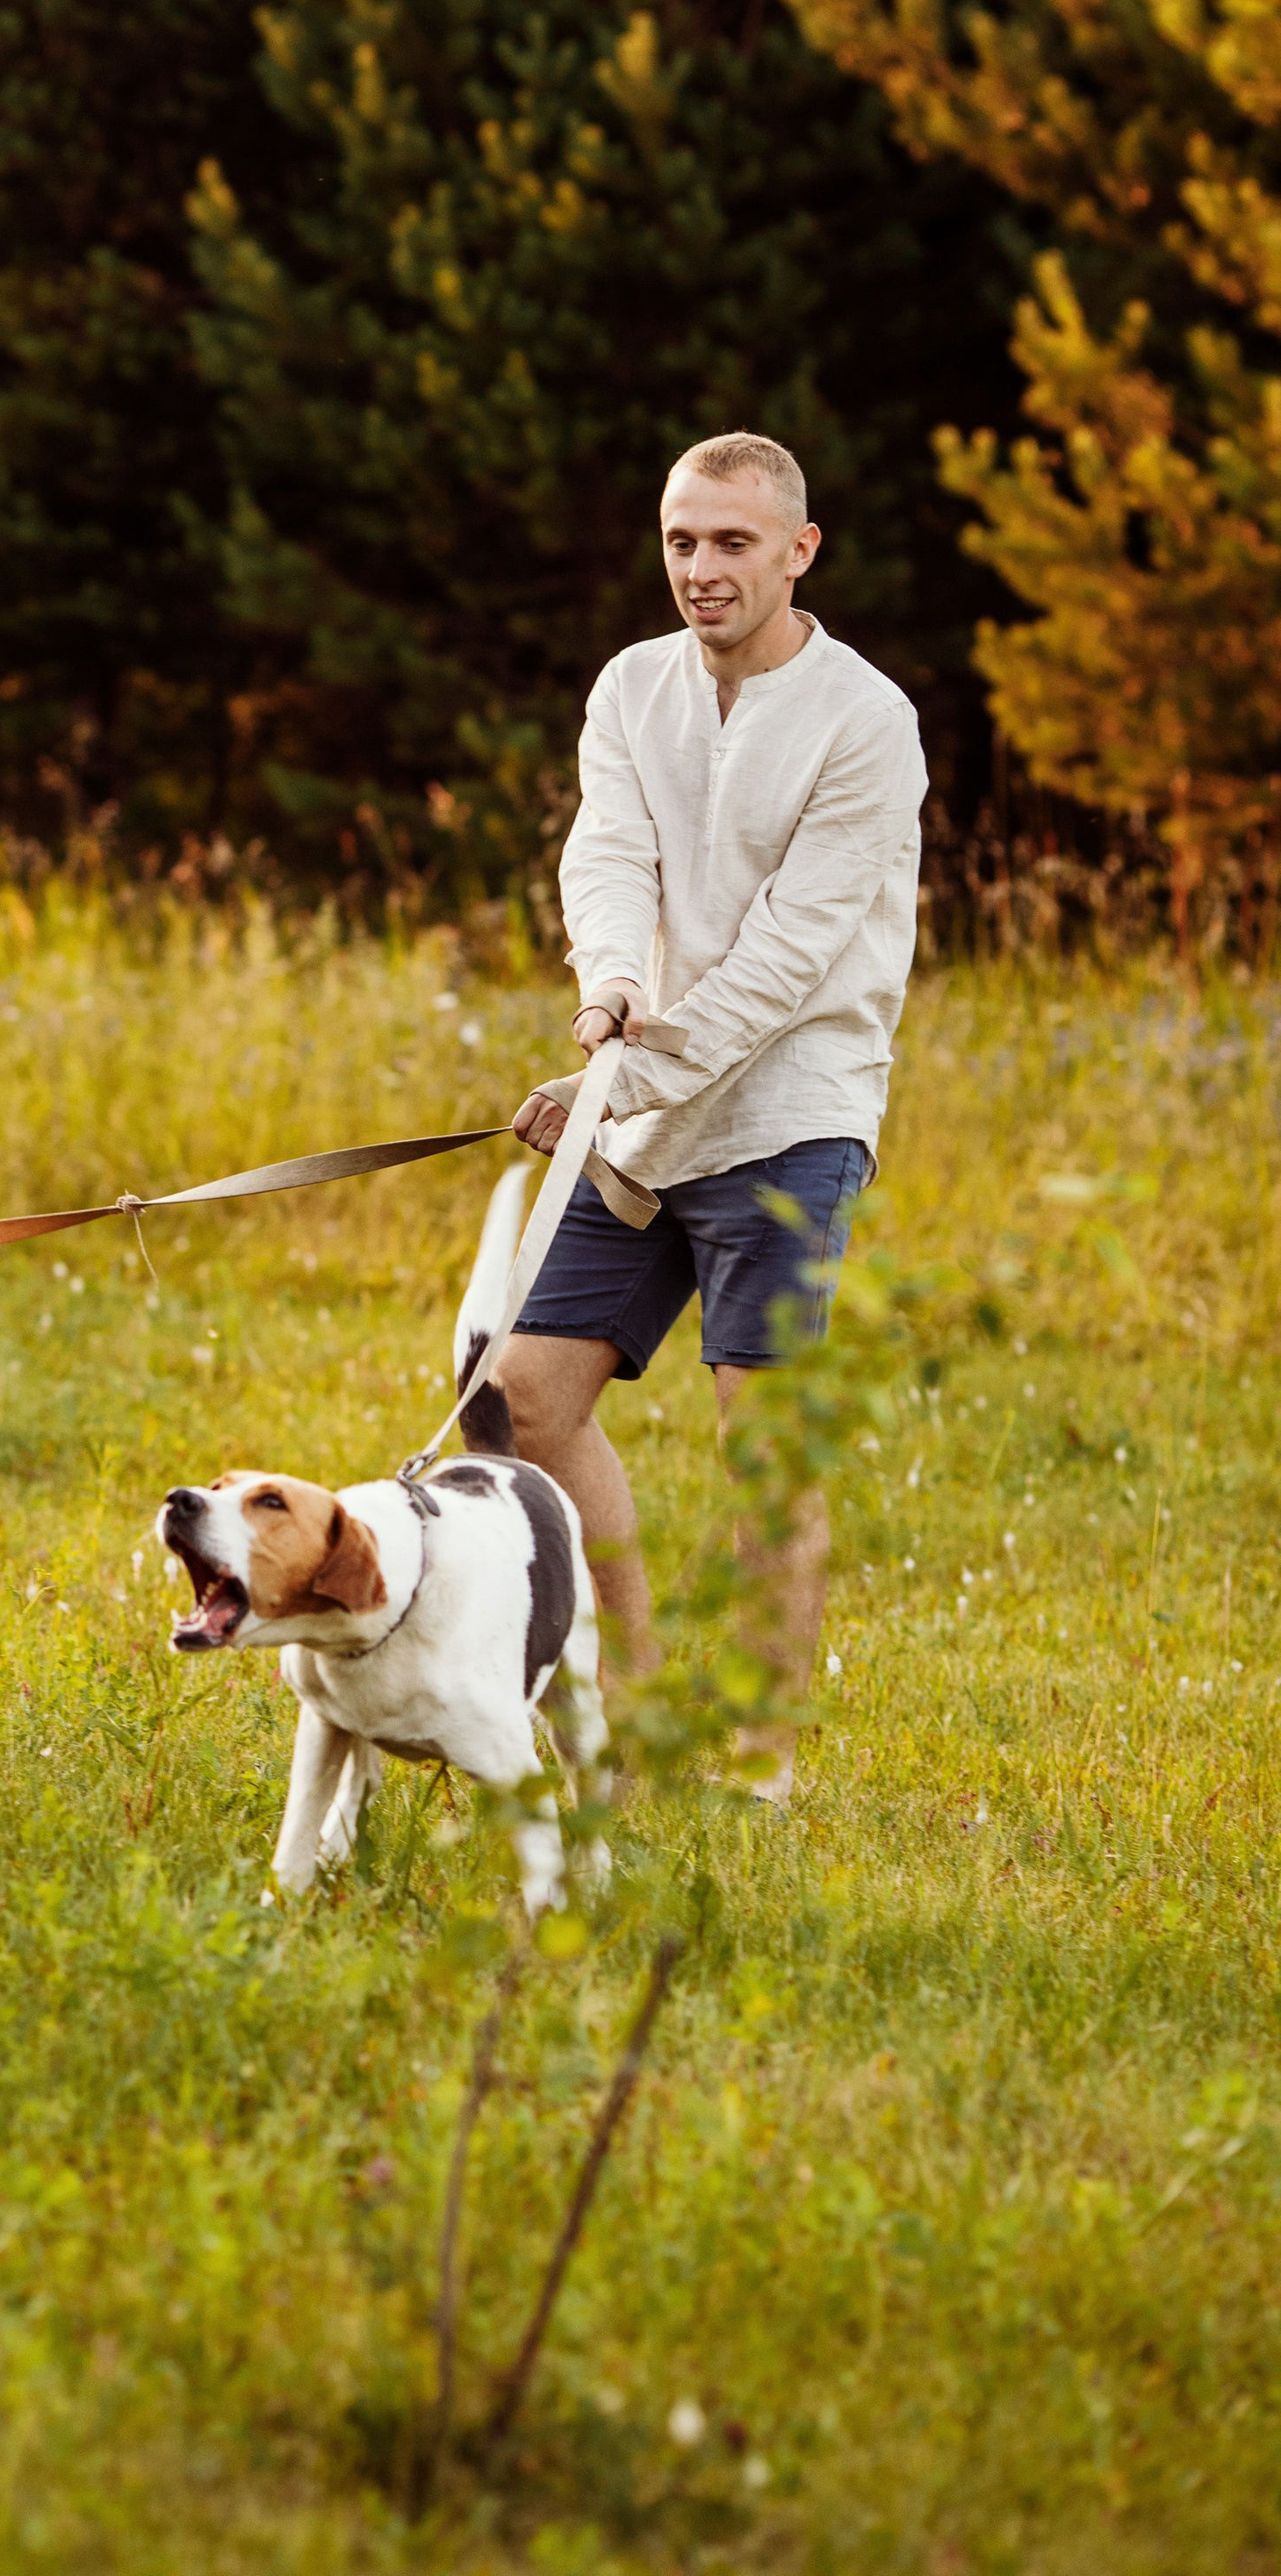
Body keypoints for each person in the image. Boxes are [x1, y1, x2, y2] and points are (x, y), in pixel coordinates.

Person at [496, 432, 925, 1800]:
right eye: (683, 540)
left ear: (800, 551)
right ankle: (629, 1694)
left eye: (732, 543)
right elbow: (609, 853)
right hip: (648, 1102)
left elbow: (795, 956)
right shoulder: (633, 686)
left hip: (795, 1108)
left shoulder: (868, 721)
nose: (701, 569)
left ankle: (758, 1761)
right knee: (524, 1401)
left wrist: (628, 1069)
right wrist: (610, 998)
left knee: (762, 1444)